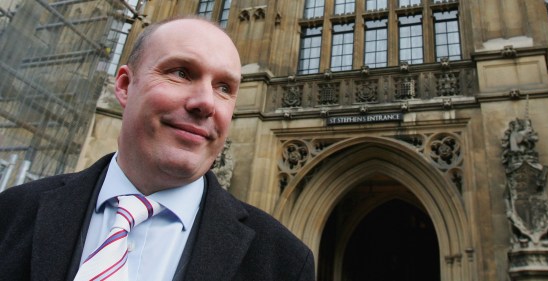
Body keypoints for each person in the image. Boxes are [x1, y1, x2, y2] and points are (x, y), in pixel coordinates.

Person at [0, 16, 315, 281]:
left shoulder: (284, 262)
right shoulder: (12, 213)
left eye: (224, 88)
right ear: (124, 86)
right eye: (181, 73)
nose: (206, 102)